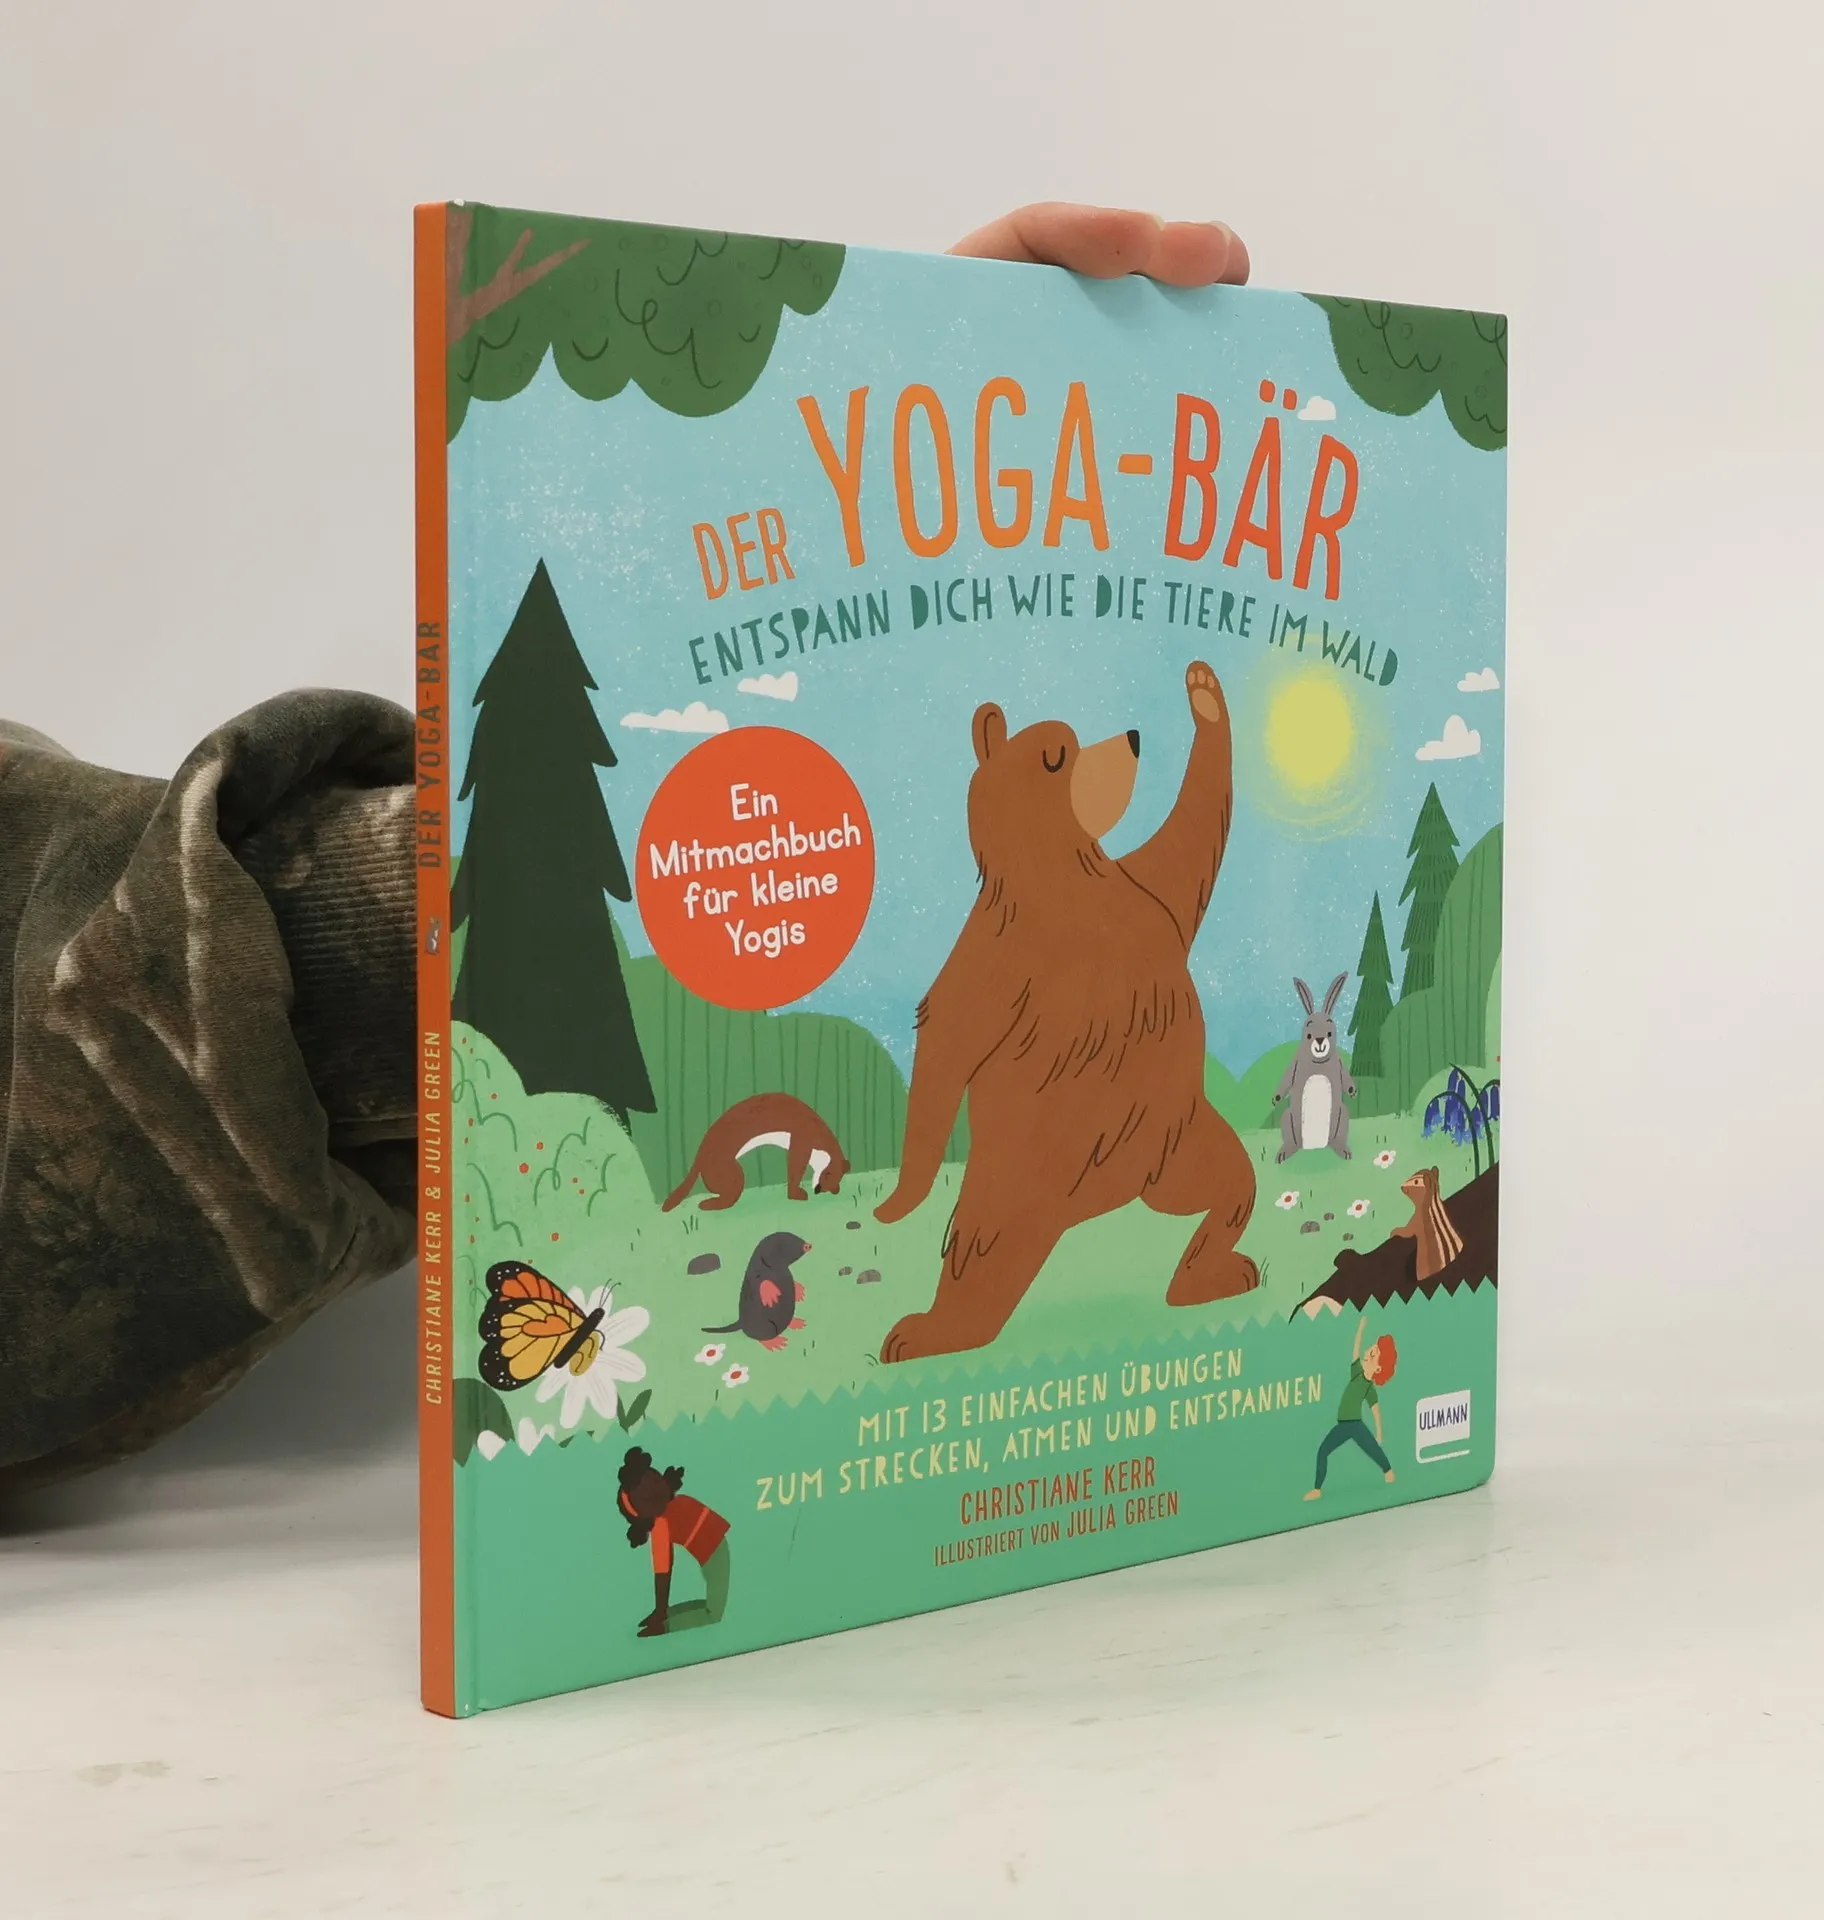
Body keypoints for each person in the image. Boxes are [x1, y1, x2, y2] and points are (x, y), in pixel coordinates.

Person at [0, 206, 1250, 1496]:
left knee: (1227, 1185)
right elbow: (944, 1055)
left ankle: (1208, 1249)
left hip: (1165, 1126)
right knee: (987, 1263)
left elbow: (1195, 852)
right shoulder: (1005, 935)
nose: (1113, 762)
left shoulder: (1128, 893)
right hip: (1034, 1162)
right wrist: (912, 1174)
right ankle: (959, 1311)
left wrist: (1200, 739)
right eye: (1062, 763)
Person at [616, 1449, 732, 1637]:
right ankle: (666, 1625)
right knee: (714, 1614)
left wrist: (661, 1610)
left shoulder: (670, 1510)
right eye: (647, 1498)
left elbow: (663, 1572)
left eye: (656, 1481)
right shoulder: (661, 1524)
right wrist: (660, 1609)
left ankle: (664, 1617)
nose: (657, 1489)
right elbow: (662, 1573)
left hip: (715, 1551)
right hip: (715, 1553)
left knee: (711, 1605)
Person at [1304, 1314, 1398, 1499]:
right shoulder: (1356, 1373)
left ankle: (1388, 1472)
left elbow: (1375, 1411)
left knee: (1372, 1449)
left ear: (1378, 1369)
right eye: (1372, 1349)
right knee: (1323, 1450)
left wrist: (1379, 1432)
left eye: (1374, 1354)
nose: (1369, 1352)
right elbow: (1355, 1350)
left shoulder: (1369, 1388)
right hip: (1343, 1424)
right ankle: (1317, 1489)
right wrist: (1361, 1329)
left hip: (1355, 1424)